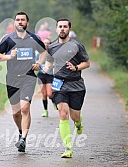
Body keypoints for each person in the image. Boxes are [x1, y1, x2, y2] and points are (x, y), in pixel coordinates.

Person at [0, 12, 48, 152]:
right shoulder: (8, 39)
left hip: (28, 77)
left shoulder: (33, 38)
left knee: (25, 108)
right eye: (17, 20)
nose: (20, 22)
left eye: (22, 20)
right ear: (14, 23)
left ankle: (23, 139)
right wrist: (8, 56)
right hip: (12, 78)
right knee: (16, 112)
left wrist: (39, 63)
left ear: (27, 23)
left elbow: (43, 52)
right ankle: (20, 131)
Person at [43, 18, 90, 158]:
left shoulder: (77, 46)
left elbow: (87, 63)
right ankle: (68, 148)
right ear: (56, 29)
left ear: (69, 29)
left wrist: (76, 67)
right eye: (60, 26)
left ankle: (79, 122)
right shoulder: (51, 47)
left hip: (76, 84)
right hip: (59, 84)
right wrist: (46, 67)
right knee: (63, 114)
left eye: (65, 26)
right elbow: (50, 61)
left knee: (74, 116)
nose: (62, 29)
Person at [35, 38, 55, 117]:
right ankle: (45, 111)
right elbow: (36, 64)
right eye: (45, 43)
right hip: (41, 75)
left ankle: (53, 101)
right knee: (44, 94)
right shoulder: (38, 54)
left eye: (48, 43)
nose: (46, 44)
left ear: (50, 44)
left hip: (49, 75)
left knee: (49, 94)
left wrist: (50, 66)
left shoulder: (52, 54)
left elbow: (56, 64)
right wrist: (40, 67)